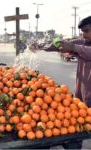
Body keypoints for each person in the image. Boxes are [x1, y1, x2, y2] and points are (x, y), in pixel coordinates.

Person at [29, 16, 91, 149]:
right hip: (81, 99)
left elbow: (80, 50)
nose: (83, 34)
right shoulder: (84, 42)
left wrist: (72, 47)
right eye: (82, 32)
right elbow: (62, 45)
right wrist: (43, 46)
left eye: (86, 31)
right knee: (78, 131)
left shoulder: (83, 46)